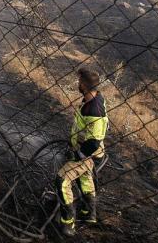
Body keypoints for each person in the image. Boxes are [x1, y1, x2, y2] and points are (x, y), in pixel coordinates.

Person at [55, 68, 108, 236]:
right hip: (86, 150)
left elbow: (93, 142)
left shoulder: (94, 110)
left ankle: (68, 222)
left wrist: (78, 156)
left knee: (62, 179)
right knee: (85, 179)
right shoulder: (93, 99)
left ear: (84, 85)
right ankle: (88, 213)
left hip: (89, 152)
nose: (78, 84)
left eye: (79, 82)